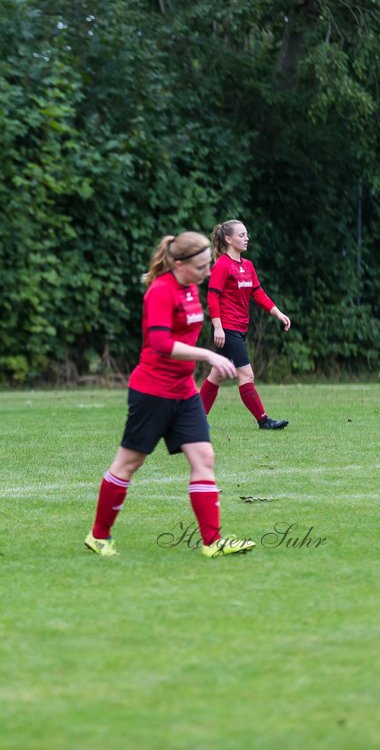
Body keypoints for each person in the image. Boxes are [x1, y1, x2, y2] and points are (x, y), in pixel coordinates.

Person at [85, 232, 254, 559]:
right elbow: (161, 344)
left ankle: (212, 542)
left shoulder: (191, 289)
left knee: (204, 458)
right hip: (152, 392)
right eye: (201, 267)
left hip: (184, 392)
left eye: (209, 265)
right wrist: (208, 355)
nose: (207, 272)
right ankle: (98, 536)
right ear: (179, 264)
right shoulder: (160, 292)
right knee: (129, 463)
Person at [199, 219, 292, 430]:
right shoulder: (221, 265)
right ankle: (263, 420)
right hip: (227, 328)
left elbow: (257, 293)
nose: (246, 238)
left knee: (218, 373)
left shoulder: (248, 266)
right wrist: (218, 327)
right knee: (246, 374)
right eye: (241, 235)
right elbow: (213, 297)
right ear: (228, 239)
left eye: (246, 234)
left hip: (240, 328)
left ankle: (195, 419)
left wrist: (278, 313)